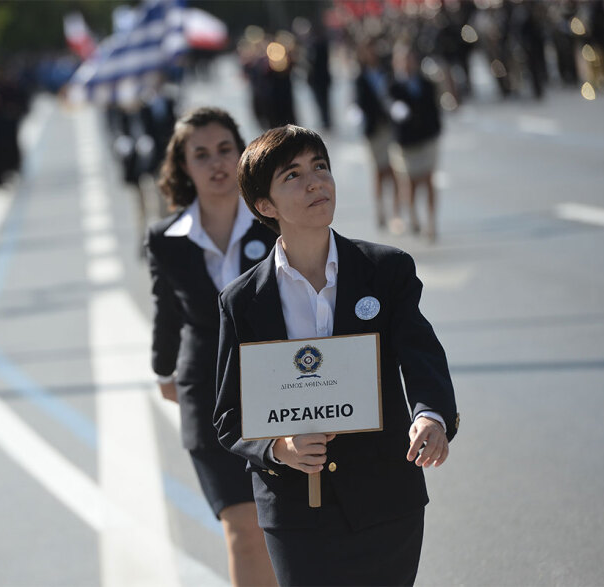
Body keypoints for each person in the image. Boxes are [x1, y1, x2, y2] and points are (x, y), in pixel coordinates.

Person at [213, 125, 458, 586]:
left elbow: (421, 355)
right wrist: (278, 448)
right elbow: (229, 416)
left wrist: (431, 416)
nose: (315, 183)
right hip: (295, 514)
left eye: (320, 167)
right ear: (265, 205)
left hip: (387, 499)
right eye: (293, 175)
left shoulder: (387, 271)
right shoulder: (241, 301)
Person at [145, 107, 278, 587]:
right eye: (200, 154)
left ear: (243, 153)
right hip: (206, 392)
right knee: (242, 528)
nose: (217, 162)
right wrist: (164, 373)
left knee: (284, 526)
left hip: (281, 387)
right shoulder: (166, 239)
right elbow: (167, 314)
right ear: (183, 167)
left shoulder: (275, 223)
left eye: (226, 149)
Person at [388, 43, 442, 241]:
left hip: (427, 139)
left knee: (429, 181)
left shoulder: (426, 83)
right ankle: (413, 216)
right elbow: (388, 106)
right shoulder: (393, 86)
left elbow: (434, 109)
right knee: (409, 183)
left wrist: (436, 130)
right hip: (406, 143)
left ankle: (431, 222)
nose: (407, 63)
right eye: (402, 59)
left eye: (409, 58)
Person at [355, 38, 400, 231]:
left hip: (389, 127)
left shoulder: (387, 72)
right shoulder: (360, 77)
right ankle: (380, 209)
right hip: (373, 129)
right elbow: (359, 101)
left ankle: (396, 211)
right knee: (379, 171)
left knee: (395, 169)